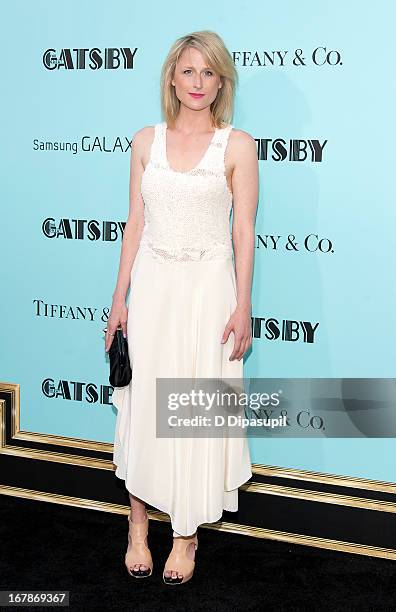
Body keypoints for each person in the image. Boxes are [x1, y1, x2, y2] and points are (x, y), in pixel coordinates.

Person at [105, 30, 258, 585]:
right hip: (153, 289)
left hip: (208, 290)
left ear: (222, 82)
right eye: (188, 71)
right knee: (145, 404)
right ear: (172, 78)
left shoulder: (237, 145)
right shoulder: (145, 140)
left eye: (209, 73)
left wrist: (243, 304)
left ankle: (186, 535)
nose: (198, 83)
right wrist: (119, 298)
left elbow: (244, 228)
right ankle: (138, 526)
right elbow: (134, 224)